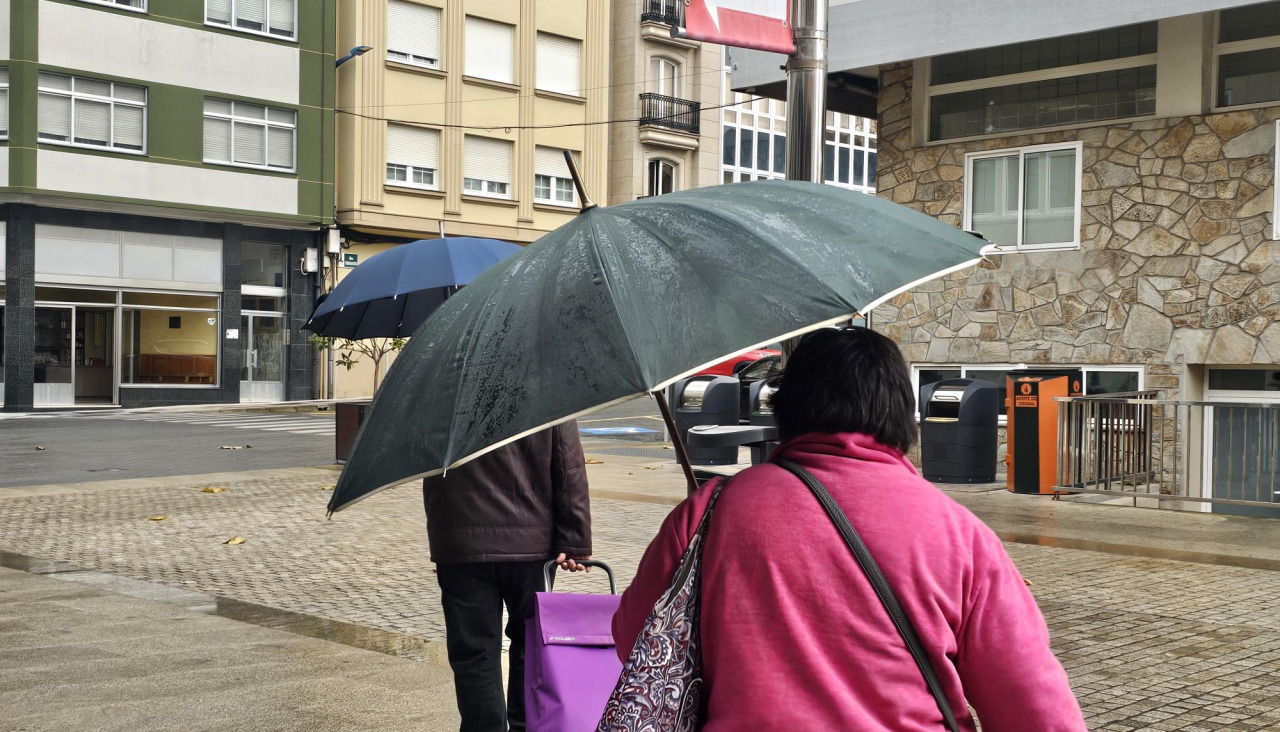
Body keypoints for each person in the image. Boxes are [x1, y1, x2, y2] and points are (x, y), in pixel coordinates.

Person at [613, 328, 1086, 731]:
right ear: (901, 413)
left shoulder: (707, 514)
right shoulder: (961, 534)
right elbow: (1036, 708)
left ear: (786, 409)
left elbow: (634, 637)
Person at [424, 421, 592, 732]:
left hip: (461, 538)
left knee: (474, 652)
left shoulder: (437, 397)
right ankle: (526, 726)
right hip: (531, 542)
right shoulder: (546, 393)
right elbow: (569, 462)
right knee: (530, 647)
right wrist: (573, 538)